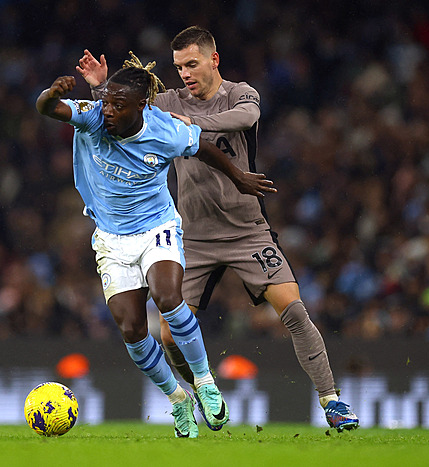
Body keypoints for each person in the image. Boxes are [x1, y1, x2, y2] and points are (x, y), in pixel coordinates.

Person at [77, 26, 359, 432]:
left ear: (214, 60)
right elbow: (123, 108)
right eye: (178, 67)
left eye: (192, 64)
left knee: (294, 310)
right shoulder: (168, 100)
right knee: (170, 336)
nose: (185, 73)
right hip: (191, 236)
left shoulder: (240, 94)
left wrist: (188, 121)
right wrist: (103, 87)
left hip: (247, 229)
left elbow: (248, 118)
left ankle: (332, 402)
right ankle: (200, 397)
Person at [36, 53, 276, 438]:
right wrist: (52, 93)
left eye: (118, 105)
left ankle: (205, 383)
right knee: (131, 328)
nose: (108, 111)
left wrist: (239, 177)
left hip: (156, 228)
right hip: (111, 238)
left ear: (142, 107)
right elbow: (47, 108)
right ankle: (178, 399)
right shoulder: (92, 115)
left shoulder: (165, 130)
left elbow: (203, 147)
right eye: (107, 102)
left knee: (167, 298)